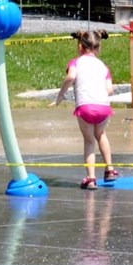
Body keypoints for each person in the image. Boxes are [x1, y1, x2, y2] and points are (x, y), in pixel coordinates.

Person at [53, 30, 117, 188]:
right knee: (100, 134)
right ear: (98, 48)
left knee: (89, 141)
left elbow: (71, 77)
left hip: (85, 107)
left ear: (80, 46)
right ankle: (109, 170)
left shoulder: (75, 62)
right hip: (103, 107)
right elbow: (110, 90)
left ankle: (91, 178)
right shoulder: (103, 66)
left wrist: (61, 95)